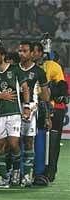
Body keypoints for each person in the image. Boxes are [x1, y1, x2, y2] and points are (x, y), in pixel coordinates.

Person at [0, 45, 30, 188]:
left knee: (13, 144)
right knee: (0, 145)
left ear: (3, 55)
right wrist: (0, 96)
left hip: (14, 114)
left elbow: (25, 88)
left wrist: (27, 107)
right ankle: (4, 178)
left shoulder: (15, 70)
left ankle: (16, 171)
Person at [33, 42, 68, 182]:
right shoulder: (31, 68)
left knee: (52, 143)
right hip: (38, 108)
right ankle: (38, 171)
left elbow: (62, 88)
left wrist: (50, 93)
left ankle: (49, 172)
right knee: (37, 141)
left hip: (53, 109)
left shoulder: (53, 67)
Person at [18, 41, 50, 187]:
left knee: (29, 142)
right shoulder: (13, 69)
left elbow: (45, 97)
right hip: (13, 110)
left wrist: (47, 115)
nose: (21, 54)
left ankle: (26, 175)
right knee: (13, 143)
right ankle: (15, 173)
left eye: (25, 51)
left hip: (30, 111)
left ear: (32, 53)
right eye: (20, 51)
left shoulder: (39, 72)